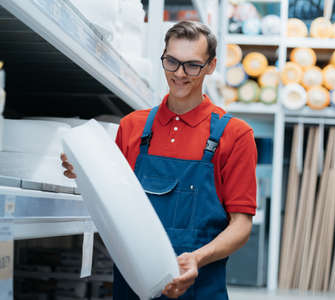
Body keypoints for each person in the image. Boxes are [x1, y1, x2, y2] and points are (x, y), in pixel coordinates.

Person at [61, 20, 257, 299]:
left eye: (192, 65)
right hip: (133, 288)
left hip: (199, 289)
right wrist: (85, 171)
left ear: (211, 66)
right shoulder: (132, 127)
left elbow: (241, 226)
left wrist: (197, 259)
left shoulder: (235, 135)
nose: (179, 74)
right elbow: (115, 203)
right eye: (171, 62)